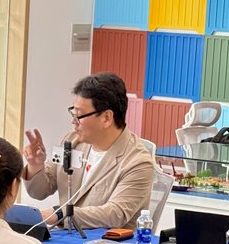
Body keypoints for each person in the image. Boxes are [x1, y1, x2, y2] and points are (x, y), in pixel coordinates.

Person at [22, 73, 154, 230]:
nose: (73, 121)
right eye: (73, 113)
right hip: (64, 237)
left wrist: (60, 214)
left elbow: (115, 214)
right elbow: (40, 192)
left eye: (79, 115)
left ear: (106, 118)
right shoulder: (72, 141)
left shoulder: (138, 163)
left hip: (105, 243)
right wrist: (35, 166)